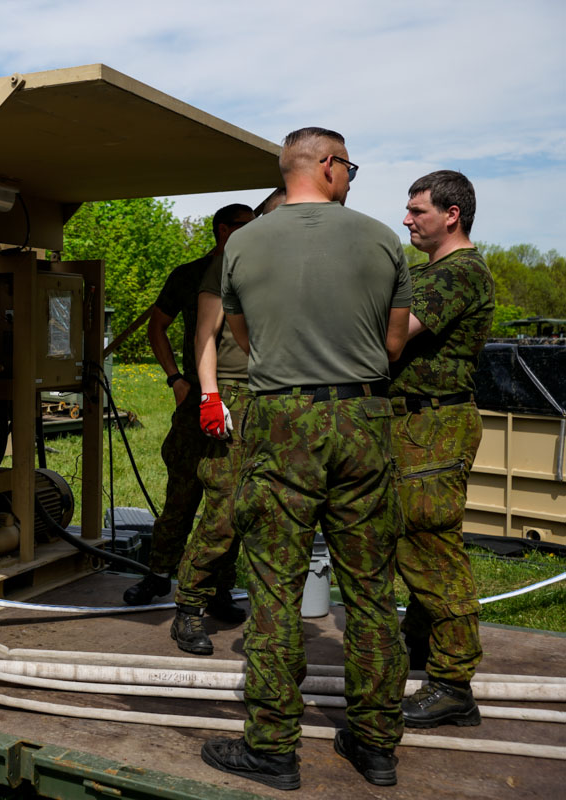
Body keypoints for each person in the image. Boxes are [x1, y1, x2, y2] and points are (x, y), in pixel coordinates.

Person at [199, 127, 411, 791]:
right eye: (347, 165)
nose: (351, 175)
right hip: (361, 417)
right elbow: (393, 342)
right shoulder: (381, 238)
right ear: (323, 164)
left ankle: (272, 748)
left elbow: (242, 335)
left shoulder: (242, 244)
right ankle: (376, 745)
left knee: (273, 589)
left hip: (278, 418)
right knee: (371, 590)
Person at [391, 170, 494, 728]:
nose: (407, 219)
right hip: (417, 425)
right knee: (414, 543)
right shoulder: (433, 271)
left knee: (432, 549)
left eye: (418, 210)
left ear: (451, 214)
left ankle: (453, 685)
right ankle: (423, 651)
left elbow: (396, 332)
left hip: (432, 427)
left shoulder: (458, 274)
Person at [124, 204, 255, 614]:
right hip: (196, 398)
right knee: (180, 494)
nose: (253, 234)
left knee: (227, 498)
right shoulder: (189, 274)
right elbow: (156, 326)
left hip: (240, 399)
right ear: (222, 230)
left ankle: (217, 588)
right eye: (243, 227)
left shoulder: (258, 273)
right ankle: (158, 575)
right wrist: (175, 379)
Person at [169, 198, 272, 655]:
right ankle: (189, 604)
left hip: (284, 399)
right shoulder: (227, 264)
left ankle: (232, 595)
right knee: (223, 506)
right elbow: (202, 334)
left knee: (269, 513)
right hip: (235, 394)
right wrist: (206, 393)